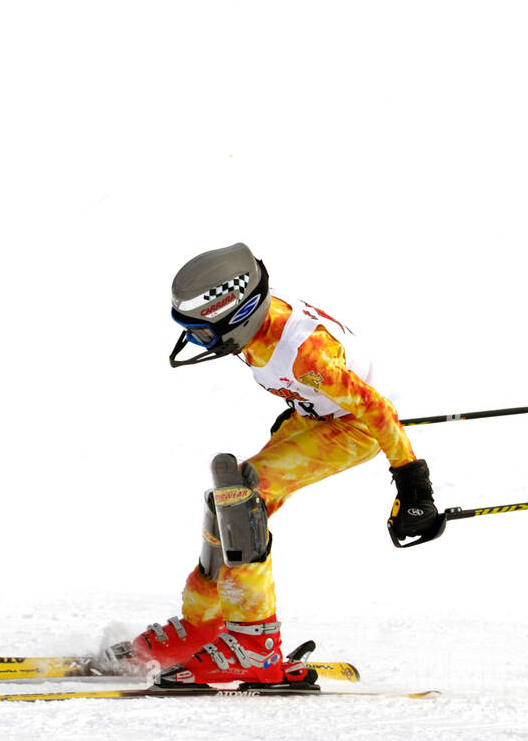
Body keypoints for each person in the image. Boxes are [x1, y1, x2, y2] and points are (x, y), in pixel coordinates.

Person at [106, 243, 440, 688]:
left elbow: (376, 411)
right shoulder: (256, 331)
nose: (198, 343)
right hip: (316, 417)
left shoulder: (307, 356)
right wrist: (303, 406)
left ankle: (254, 647)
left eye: (205, 334)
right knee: (228, 503)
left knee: (246, 500)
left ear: (238, 320)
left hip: (353, 428)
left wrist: (413, 485)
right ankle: (205, 626)